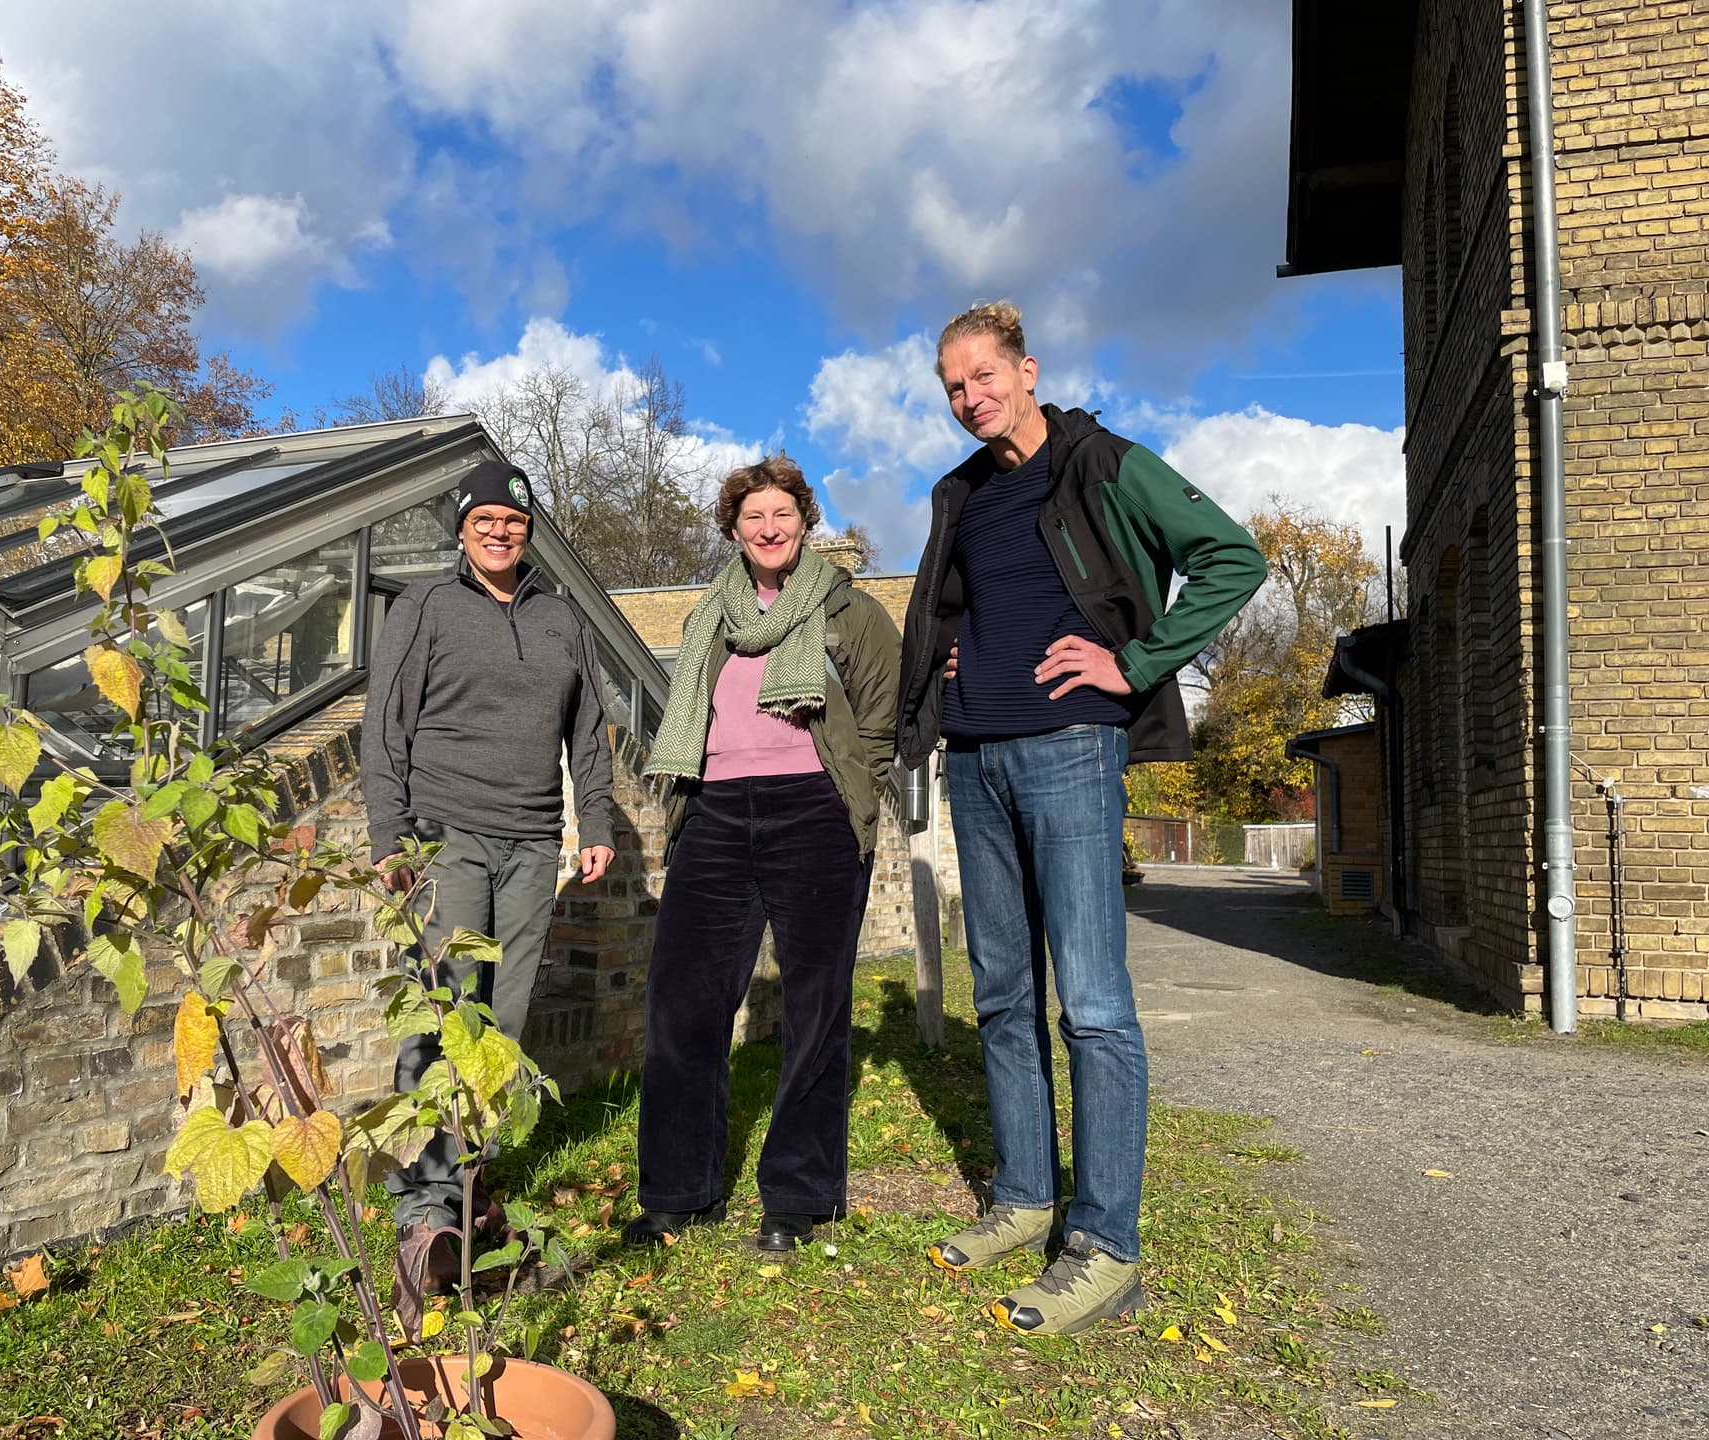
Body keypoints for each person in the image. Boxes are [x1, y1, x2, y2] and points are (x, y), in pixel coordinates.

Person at [896, 301, 1265, 1335]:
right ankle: (1023, 1197)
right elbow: (950, 609)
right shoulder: (958, 495)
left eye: (983, 376)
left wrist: (1134, 661)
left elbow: (1233, 558)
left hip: (1069, 752)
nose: (969, 398)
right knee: (1004, 994)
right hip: (976, 758)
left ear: (1026, 369)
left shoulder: (1097, 462)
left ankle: (1105, 1245)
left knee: (1093, 1004)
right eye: (951, 386)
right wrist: (947, 671)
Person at [361, 457, 617, 1325]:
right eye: (484, 521)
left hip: (535, 844)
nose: (500, 531)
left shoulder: (561, 619)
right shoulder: (425, 609)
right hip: (449, 837)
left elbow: (589, 732)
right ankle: (425, 1216)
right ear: (462, 532)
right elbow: (384, 727)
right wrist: (390, 840)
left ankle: (468, 1184)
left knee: (503, 1028)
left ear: (529, 529)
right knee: (446, 1012)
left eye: (513, 519)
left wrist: (600, 826)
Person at [623, 456, 901, 1254]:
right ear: (733, 529)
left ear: (805, 522)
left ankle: (798, 1196)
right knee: (683, 1004)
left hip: (812, 812)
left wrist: (853, 794)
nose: (769, 528)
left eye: (782, 514)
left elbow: (880, 720)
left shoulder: (850, 611)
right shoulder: (710, 611)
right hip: (712, 812)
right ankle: (678, 1190)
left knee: (815, 1007)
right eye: (753, 517)